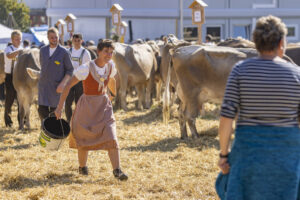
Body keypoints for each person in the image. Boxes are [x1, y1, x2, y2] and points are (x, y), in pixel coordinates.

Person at [216, 15, 300, 200]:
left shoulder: (240, 71)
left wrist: (224, 155)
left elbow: (226, 118)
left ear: (255, 43)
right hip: (287, 155)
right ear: (281, 44)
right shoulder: (296, 74)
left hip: (249, 153)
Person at [54, 39, 128, 180]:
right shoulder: (86, 68)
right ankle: (82, 167)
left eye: (111, 52)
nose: (108, 55)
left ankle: (117, 170)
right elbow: (68, 86)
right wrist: (59, 108)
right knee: (83, 137)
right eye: (106, 52)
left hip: (103, 105)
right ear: (99, 52)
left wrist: (112, 93)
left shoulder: (111, 65)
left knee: (111, 136)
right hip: (87, 105)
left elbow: (113, 78)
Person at [38, 27, 73, 123]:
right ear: (48, 38)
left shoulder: (64, 52)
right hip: (43, 87)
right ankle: (45, 134)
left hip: (56, 87)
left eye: (56, 37)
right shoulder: (42, 50)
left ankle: (53, 135)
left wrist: (63, 84)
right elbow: (42, 66)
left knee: (54, 115)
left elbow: (70, 70)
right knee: (41, 111)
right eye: (52, 37)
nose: (54, 39)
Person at [65, 33, 91, 122]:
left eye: (78, 41)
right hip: (69, 80)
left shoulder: (86, 53)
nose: (76, 42)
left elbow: (88, 67)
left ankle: (78, 121)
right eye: (75, 41)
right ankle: (69, 121)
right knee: (67, 102)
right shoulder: (68, 52)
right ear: (72, 41)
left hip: (80, 81)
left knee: (79, 102)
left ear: (81, 41)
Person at [4, 30, 23, 127]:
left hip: (20, 77)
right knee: (10, 99)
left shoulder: (22, 49)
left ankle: (21, 121)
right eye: (16, 39)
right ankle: (8, 120)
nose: (19, 41)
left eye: (20, 39)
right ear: (12, 40)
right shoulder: (8, 48)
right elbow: (9, 55)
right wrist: (20, 51)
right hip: (10, 77)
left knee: (21, 99)